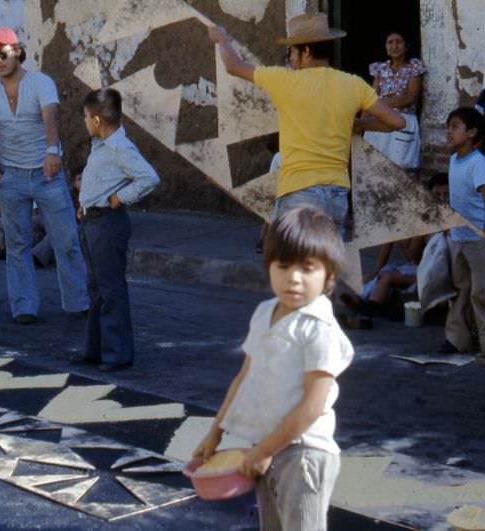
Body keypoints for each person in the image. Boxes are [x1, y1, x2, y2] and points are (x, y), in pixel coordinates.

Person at [193, 206, 354, 531]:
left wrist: (266, 450)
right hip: (264, 448)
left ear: (329, 276)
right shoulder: (264, 313)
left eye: (308, 268)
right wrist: (215, 432)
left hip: (305, 454)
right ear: (268, 267)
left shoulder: (319, 329)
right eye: (283, 266)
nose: (293, 278)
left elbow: (312, 407)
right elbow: (244, 377)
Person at [208, 13, 405, 234]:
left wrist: (222, 38)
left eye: (292, 51)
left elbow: (233, 66)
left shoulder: (285, 80)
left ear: (307, 51)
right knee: (326, 266)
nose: (290, 58)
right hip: (337, 196)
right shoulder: (354, 84)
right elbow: (397, 121)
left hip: (299, 192)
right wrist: (359, 124)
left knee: (292, 265)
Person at [0, 27, 89, 324]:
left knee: (66, 240)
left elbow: (50, 116)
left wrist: (53, 151)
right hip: (11, 178)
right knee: (17, 246)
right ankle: (24, 306)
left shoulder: (41, 82)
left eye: (3, 54)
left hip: (46, 174)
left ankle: (78, 302)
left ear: (18, 51)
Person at [69, 88, 159, 372]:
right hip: (92, 222)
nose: (84, 122)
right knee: (96, 288)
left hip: (107, 222)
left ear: (96, 119)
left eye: (86, 117)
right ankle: (95, 349)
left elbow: (149, 177)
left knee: (110, 289)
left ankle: (117, 353)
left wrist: (120, 198)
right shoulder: (101, 144)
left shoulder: (120, 147)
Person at [437, 107, 485, 362]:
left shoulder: (478, 163)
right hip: (458, 237)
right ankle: (458, 339)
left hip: (478, 239)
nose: (449, 131)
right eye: (448, 126)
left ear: (472, 132)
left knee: (481, 292)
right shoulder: (454, 160)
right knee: (461, 290)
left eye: (455, 126)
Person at [363, 32, 426, 173]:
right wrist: (361, 124)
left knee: (402, 170)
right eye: (390, 42)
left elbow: (410, 98)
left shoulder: (413, 66)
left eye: (399, 42)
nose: (394, 46)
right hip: (378, 124)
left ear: (406, 46)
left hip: (403, 122)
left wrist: (380, 102)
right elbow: (369, 98)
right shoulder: (380, 68)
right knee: (374, 169)